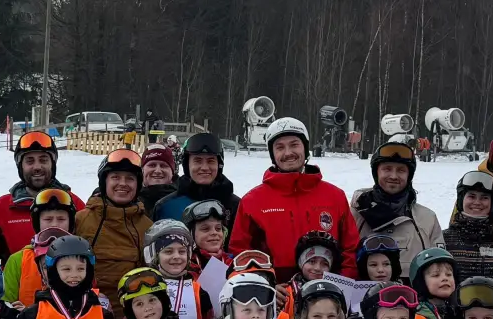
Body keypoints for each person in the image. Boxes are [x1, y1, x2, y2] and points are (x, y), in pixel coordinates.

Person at [230, 118, 360, 280]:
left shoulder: (335, 196)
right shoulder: (252, 201)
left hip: (327, 292)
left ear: (305, 148)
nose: (288, 153)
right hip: (276, 294)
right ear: (272, 154)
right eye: (280, 147)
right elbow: (240, 251)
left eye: (294, 145)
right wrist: (264, 285)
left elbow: (350, 248)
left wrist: (342, 282)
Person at [74, 149, 153, 312]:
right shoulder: (81, 220)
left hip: (131, 317)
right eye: (115, 177)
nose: (122, 183)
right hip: (86, 314)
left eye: (130, 179)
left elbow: (152, 278)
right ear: (104, 182)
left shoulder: (147, 227)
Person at [0, 131, 84, 257]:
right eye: (30, 161)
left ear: (52, 164)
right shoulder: (0, 208)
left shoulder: (74, 204)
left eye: (43, 160)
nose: (37, 167)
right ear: (20, 166)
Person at [351, 140, 444, 258]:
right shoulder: (354, 215)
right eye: (387, 169)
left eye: (401, 170)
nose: (394, 176)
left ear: (409, 175)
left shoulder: (427, 219)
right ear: (376, 172)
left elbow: (439, 267)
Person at [443, 170, 493, 293]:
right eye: (471, 196)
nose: (477, 202)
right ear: (461, 199)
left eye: (484, 198)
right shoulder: (444, 239)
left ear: (492, 203)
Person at [3, 190, 76, 307]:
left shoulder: (81, 256)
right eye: (48, 219)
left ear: (70, 222)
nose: (54, 224)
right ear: (37, 223)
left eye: (61, 219)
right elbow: (6, 302)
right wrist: (17, 313)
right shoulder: (18, 259)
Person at [153, 132, 240, 224]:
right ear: (187, 165)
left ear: (219, 165)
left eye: (211, 161)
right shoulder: (166, 207)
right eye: (197, 161)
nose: (205, 167)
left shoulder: (236, 207)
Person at [138, 144, 177, 216]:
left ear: (172, 171)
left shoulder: (183, 199)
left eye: (163, 166)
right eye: (152, 165)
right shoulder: (130, 199)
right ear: (142, 170)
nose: (158, 171)